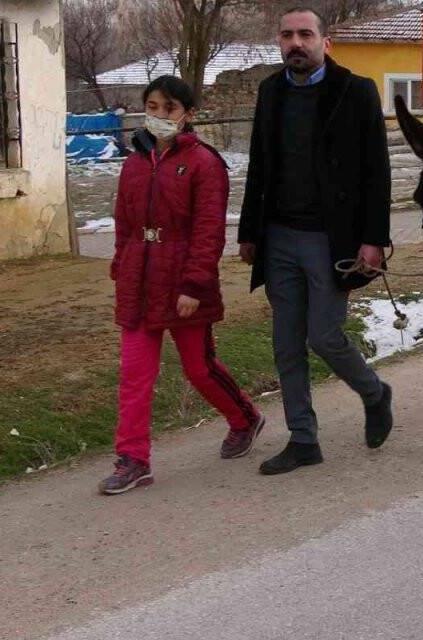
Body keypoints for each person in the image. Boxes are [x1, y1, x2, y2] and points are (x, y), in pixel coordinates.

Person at [237, 6, 394, 475]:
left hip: (332, 241)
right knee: (286, 344)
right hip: (279, 236)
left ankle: (374, 392)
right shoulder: (270, 92)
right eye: (287, 35)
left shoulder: (356, 91)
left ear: (326, 41)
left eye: (305, 34)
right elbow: (259, 166)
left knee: (323, 335)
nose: (295, 43)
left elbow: (377, 174)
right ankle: (303, 438)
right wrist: (248, 232)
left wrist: (374, 240)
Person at [101, 75, 265, 495]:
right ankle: (133, 459)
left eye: (169, 108)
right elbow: (124, 223)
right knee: (135, 375)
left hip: (183, 283)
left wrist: (193, 284)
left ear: (188, 115)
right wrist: (122, 263)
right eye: (152, 107)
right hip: (140, 281)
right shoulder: (134, 163)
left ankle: (244, 418)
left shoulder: (204, 164)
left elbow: (209, 231)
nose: (158, 116)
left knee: (199, 369)